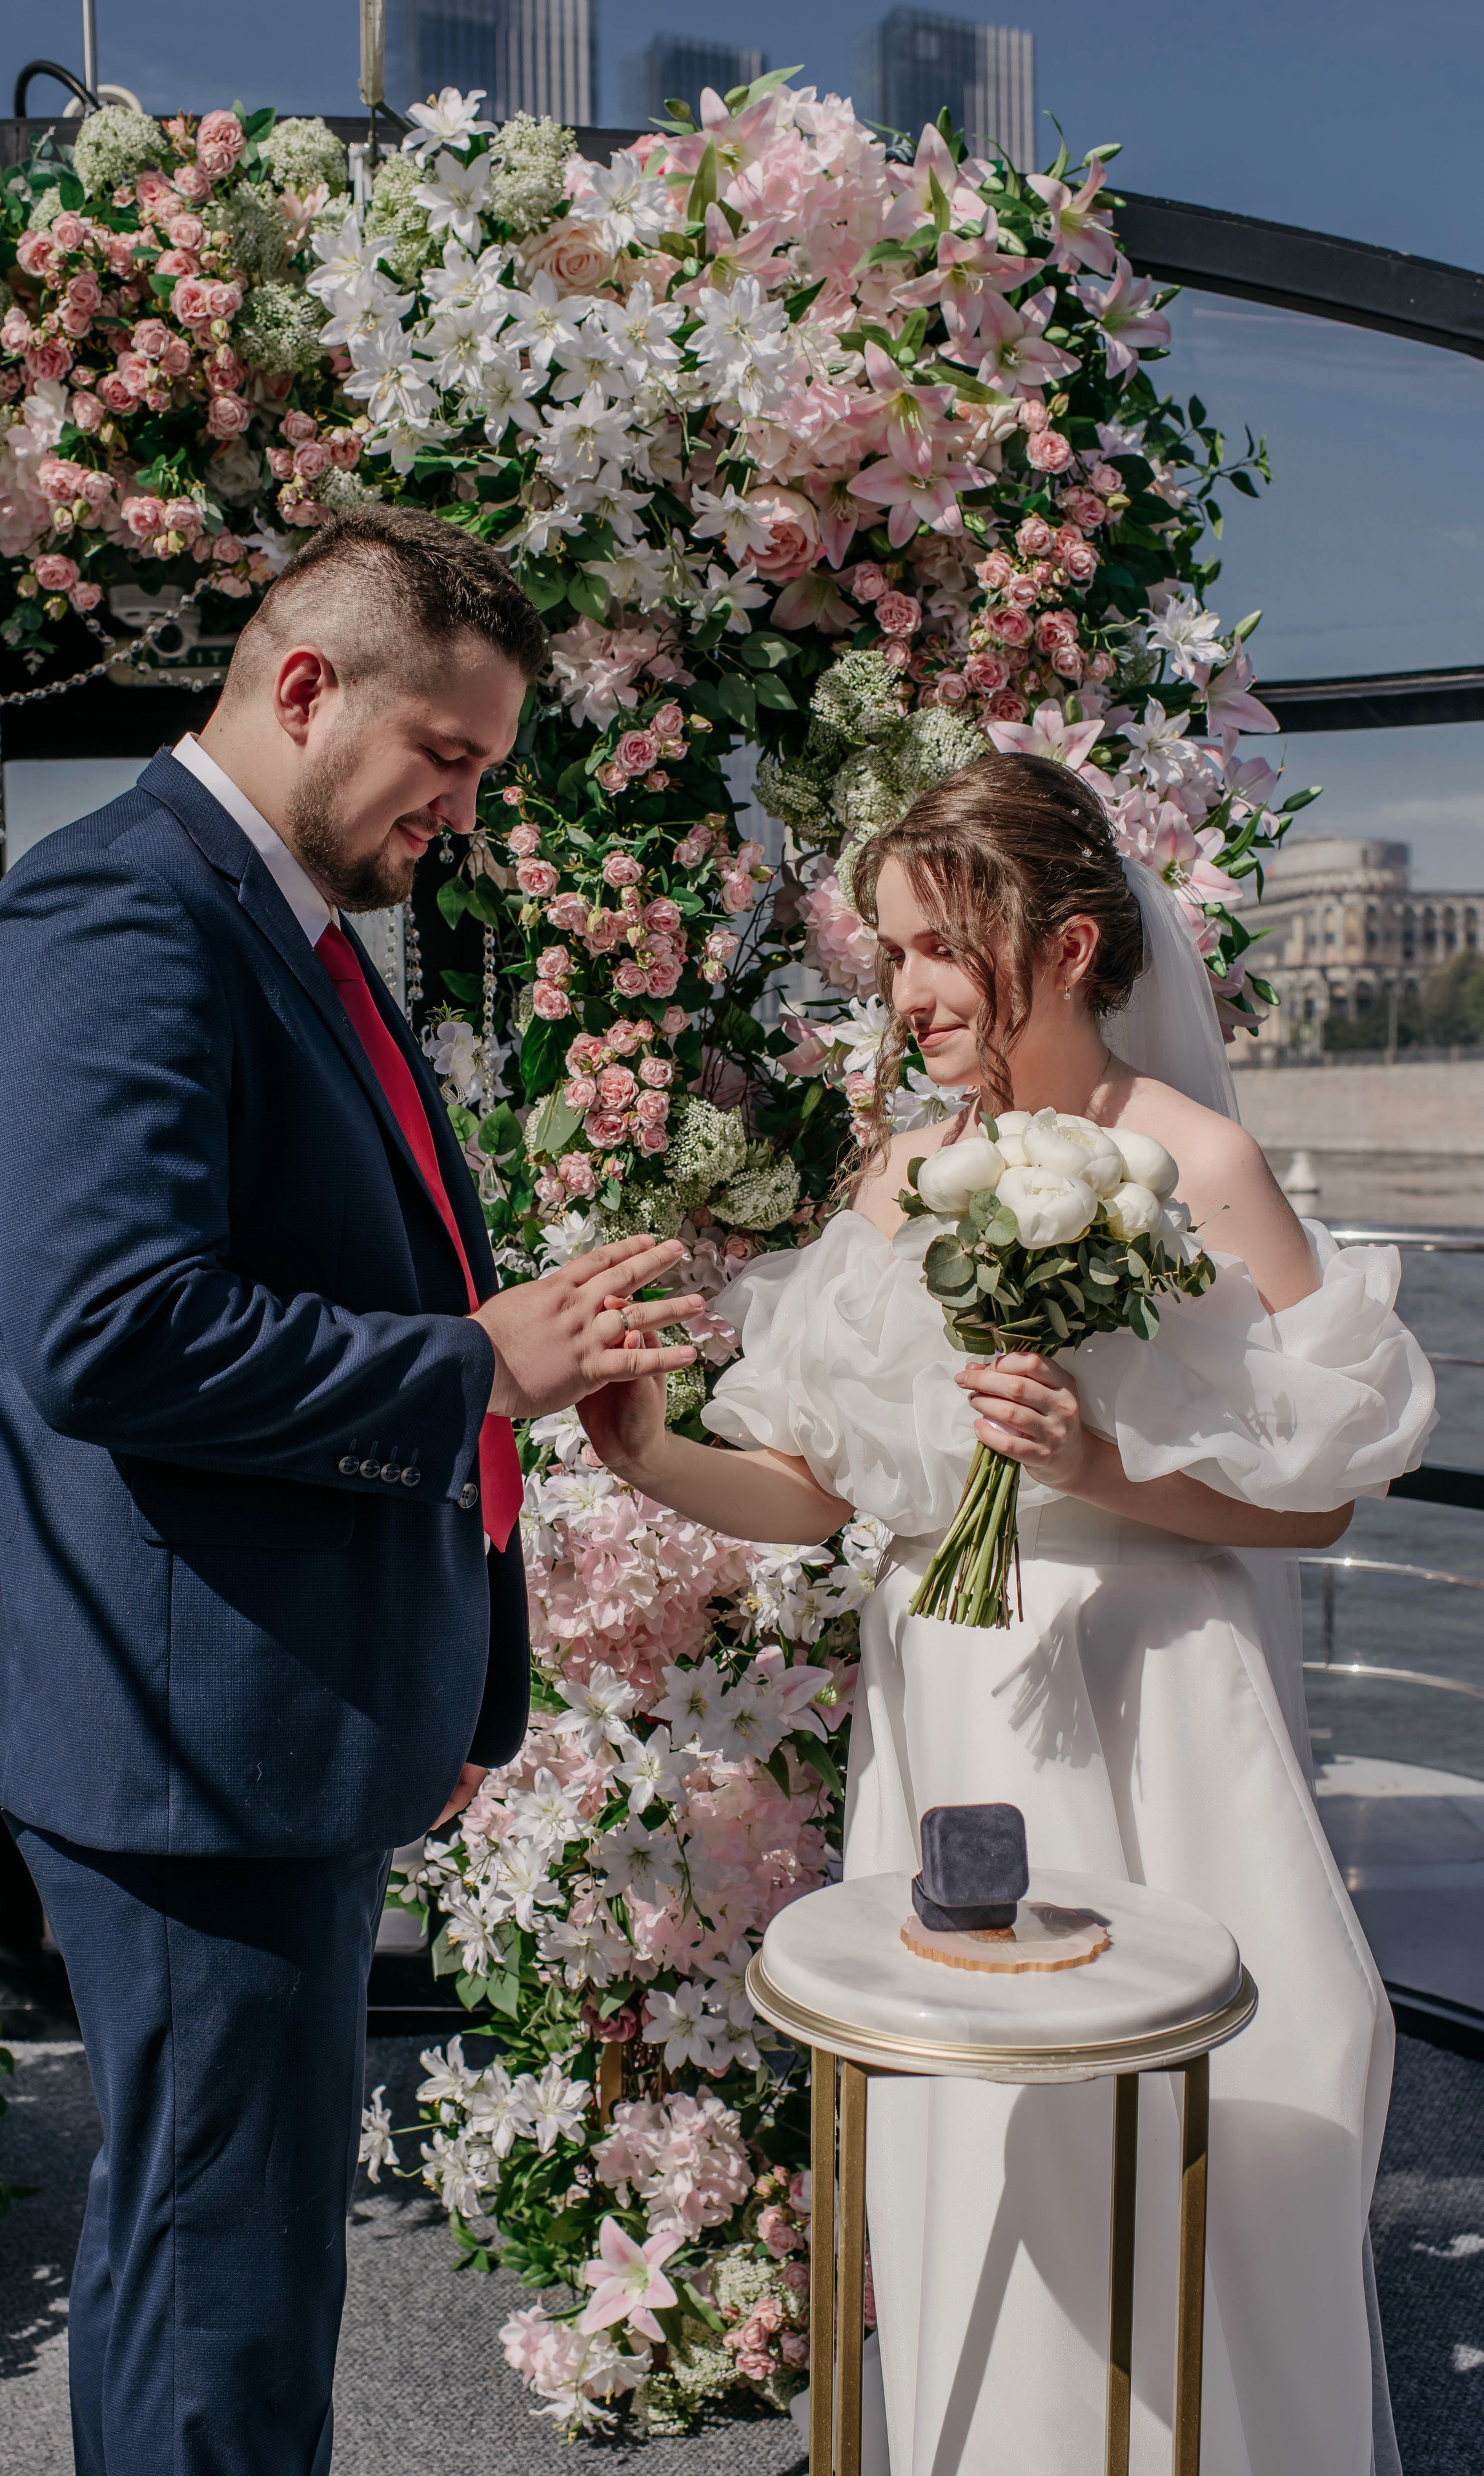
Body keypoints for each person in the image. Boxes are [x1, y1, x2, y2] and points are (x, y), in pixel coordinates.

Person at [0, 507, 702, 2476]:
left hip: (270, 1718)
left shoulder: (278, 926)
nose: (462, 804)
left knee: (218, 2263)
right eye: (445, 756)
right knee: (223, 2291)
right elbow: (112, 1328)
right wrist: (483, 1367)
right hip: (194, 1750)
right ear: (303, 687)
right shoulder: (116, 916)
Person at [580, 752, 1434, 2475]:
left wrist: (1104, 1464)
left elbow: (1324, 1490)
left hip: (1151, 1689)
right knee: (977, 2127)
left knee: (1214, 2102)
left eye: (937, 948)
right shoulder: (902, 1179)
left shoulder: (1197, 1160)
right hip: (954, 1695)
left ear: (1064, 944)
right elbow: (822, 1486)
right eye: (891, 953)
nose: (908, 995)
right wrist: (657, 1455)